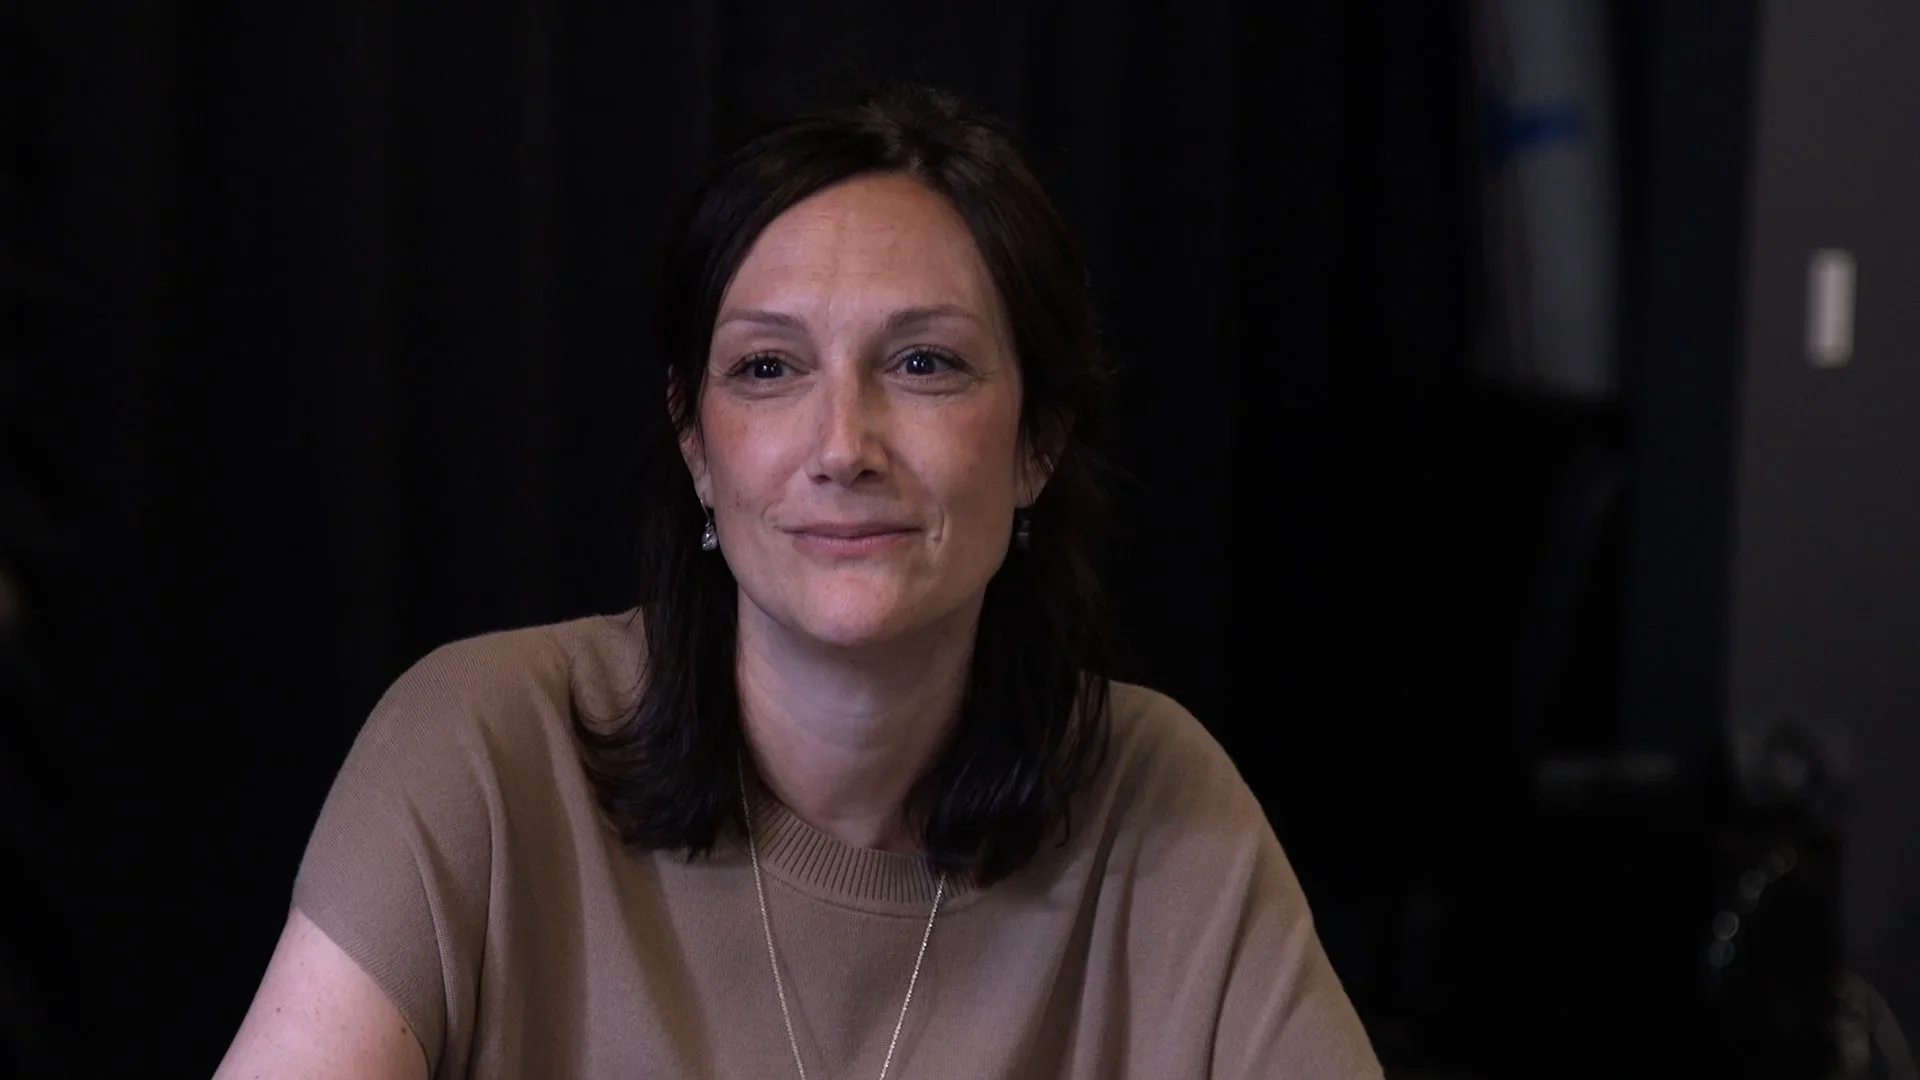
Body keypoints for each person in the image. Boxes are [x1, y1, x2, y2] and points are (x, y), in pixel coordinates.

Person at [213, 85, 1383, 1080]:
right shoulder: (483, 744)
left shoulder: (1159, 798)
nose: (842, 444)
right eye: (768, 368)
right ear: (696, 445)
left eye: (923, 364)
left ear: (1037, 445)